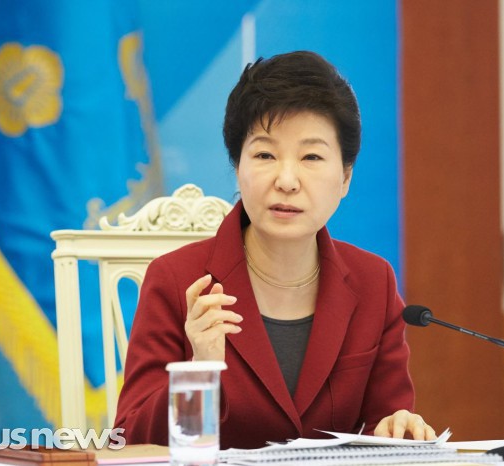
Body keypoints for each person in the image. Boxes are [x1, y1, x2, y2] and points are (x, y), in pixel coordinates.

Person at [114, 50, 435, 449]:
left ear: (345, 178)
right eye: (265, 154)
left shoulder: (374, 282)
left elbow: (386, 426)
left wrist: (399, 426)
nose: (286, 180)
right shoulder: (178, 280)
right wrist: (200, 371)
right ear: (238, 167)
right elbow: (129, 439)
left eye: (311, 156)